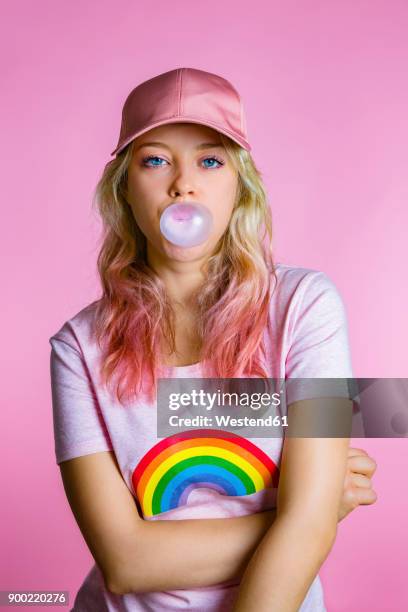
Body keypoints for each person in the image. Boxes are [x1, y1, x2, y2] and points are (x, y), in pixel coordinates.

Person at [49, 67, 377, 612]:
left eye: (210, 160)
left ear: (238, 184)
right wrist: (308, 512)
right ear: (125, 189)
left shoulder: (307, 307)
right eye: (155, 161)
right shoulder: (77, 348)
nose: (183, 184)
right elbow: (126, 563)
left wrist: (313, 515)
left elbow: (309, 525)